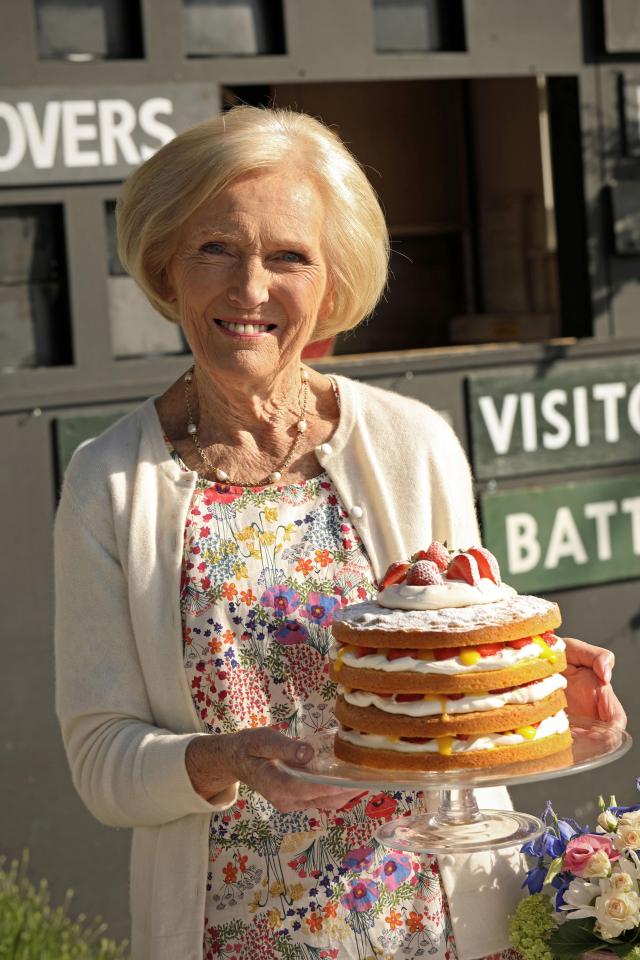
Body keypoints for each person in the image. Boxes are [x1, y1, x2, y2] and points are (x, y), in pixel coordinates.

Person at [54, 106, 626, 960]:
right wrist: (229, 758)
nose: (250, 289)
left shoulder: (412, 442)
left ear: (330, 284)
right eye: (217, 247)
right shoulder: (110, 482)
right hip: (233, 935)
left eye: (289, 256)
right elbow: (103, 763)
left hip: (444, 926)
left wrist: (533, 700)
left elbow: (453, 667)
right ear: (167, 268)